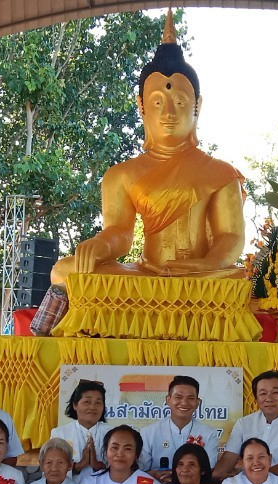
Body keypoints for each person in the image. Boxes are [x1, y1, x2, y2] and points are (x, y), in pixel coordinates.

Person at [33, 13, 246, 334]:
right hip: (146, 275)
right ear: (141, 105)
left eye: (180, 100)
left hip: (199, 278)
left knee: (235, 281)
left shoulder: (219, 172)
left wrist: (205, 265)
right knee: (65, 270)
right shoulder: (122, 175)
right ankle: (45, 330)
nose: (169, 112)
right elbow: (120, 233)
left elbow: (231, 237)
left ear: (197, 105)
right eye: (158, 101)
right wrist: (100, 246)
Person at [213, 370, 278, 480]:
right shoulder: (243, 423)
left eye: (275, 392)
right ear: (256, 399)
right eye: (263, 393)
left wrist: (246, 476)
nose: (269, 398)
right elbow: (228, 458)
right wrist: (217, 475)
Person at [138, 375, 219, 482]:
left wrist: (178, 477)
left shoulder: (209, 434)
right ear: (168, 400)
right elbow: (141, 471)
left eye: (190, 398)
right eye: (178, 397)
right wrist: (154, 474)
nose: (184, 403)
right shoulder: (148, 432)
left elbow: (208, 470)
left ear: (197, 403)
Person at [51, 379, 111, 481]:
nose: (92, 407)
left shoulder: (112, 433)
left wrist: (97, 465)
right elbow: (52, 470)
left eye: (98, 402)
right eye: (87, 402)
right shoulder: (60, 434)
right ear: (75, 405)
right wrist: (79, 466)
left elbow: (123, 470)